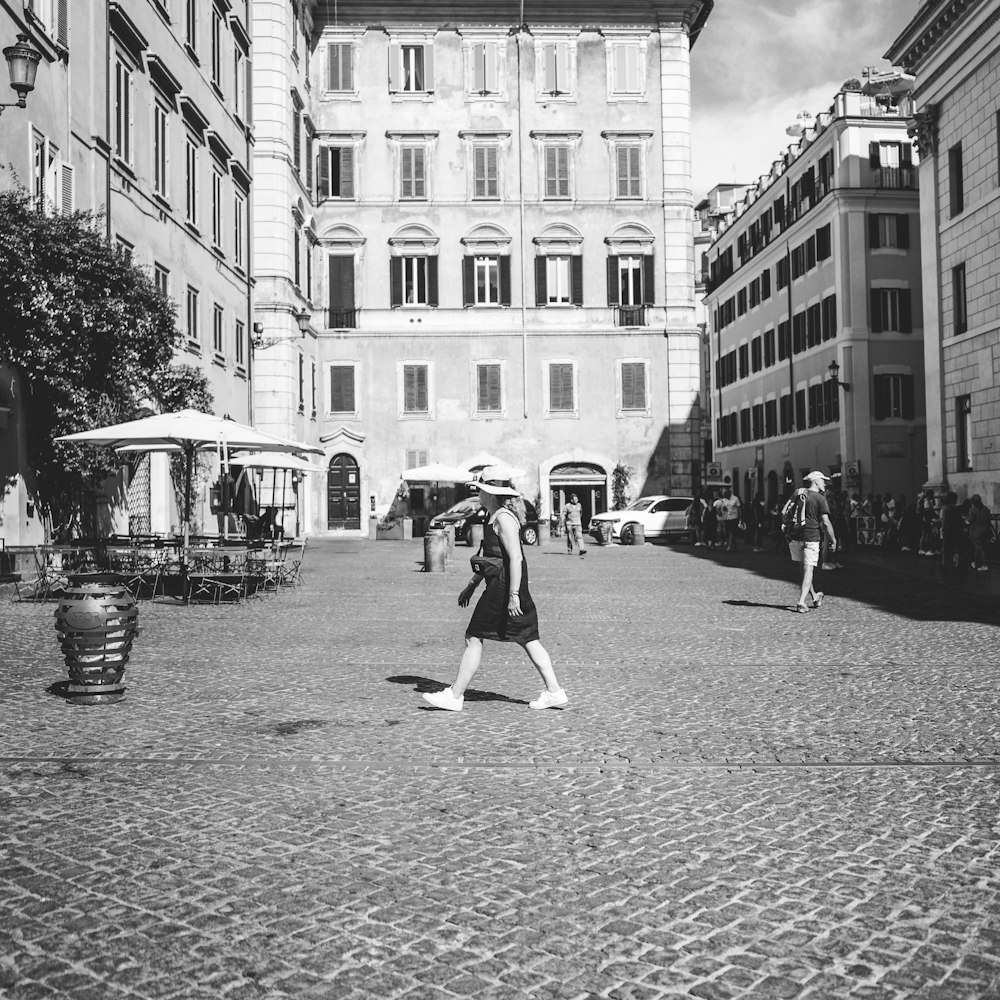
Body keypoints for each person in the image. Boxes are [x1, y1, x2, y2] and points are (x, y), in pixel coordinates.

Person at [423, 482, 568, 713]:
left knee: (474, 636)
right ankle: (554, 691)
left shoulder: (504, 519)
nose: (477, 493)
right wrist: (471, 586)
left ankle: (454, 695)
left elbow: (516, 559)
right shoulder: (492, 516)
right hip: (503, 583)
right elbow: (490, 560)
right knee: (527, 637)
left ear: (490, 493)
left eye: (480, 489)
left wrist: (513, 595)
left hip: (505, 587)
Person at [788, 471, 838, 614]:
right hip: (811, 536)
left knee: (803, 570)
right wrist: (833, 539)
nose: (825, 483)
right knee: (808, 570)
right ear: (816, 481)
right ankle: (802, 601)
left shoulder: (798, 493)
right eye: (823, 481)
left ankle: (815, 596)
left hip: (796, 536)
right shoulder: (819, 498)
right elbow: (826, 523)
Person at [967, 494, 992, 571]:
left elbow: (970, 520)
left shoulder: (972, 510)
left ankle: (983, 564)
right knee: (981, 547)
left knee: (979, 548)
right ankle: (977, 563)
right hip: (985, 530)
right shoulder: (986, 509)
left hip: (976, 531)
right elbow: (989, 519)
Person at [713, 486, 742, 551]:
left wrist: (740, 518)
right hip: (726, 517)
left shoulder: (735, 499)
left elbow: (739, 508)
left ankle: (729, 545)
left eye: (725, 494)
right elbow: (722, 507)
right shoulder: (724, 500)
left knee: (731, 531)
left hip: (734, 517)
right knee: (727, 532)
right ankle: (733, 543)